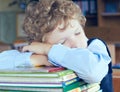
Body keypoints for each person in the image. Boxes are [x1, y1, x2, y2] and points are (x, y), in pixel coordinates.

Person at [0, 0, 113, 91]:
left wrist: (50, 49)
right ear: (40, 44)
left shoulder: (95, 46)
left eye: (78, 33)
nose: (76, 44)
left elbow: (93, 72)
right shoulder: (43, 55)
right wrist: (35, 59)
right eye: (62, 42)